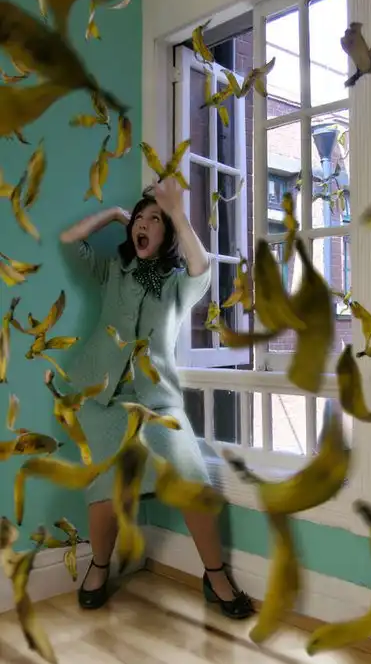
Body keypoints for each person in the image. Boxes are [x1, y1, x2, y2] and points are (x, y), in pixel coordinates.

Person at [58, 177, 254, 619]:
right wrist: (114, 214)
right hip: (103, 399)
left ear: (167, 234)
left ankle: (215, 576)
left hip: (158, 402)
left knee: (193, 482)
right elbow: (69, 240)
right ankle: (99, 565)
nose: (143, 225)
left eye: (154, 220)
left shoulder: (178, 284)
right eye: (139, 219)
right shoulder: (112, 271)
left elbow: (202, 267)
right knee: (105, 491)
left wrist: (178, 213)